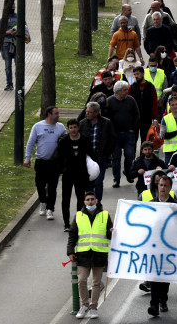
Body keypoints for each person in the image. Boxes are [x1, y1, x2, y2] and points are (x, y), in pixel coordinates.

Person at [67, 190, 114, 320]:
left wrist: (112, 232)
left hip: (99, 254)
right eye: (88, 200)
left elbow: (110, 235)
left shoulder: (105, 215)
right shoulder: (78, 216)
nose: (90, 202)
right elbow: (72, 234)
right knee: (81, 281)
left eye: (92, 199)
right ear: (84, 202)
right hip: (83, 254)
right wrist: (70, 251)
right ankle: (84, 305)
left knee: (96, 282)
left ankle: (93, 307)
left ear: (97, 201)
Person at [23, 106, 67, 221]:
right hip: (41, 161)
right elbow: (31, 143)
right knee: (40, 185)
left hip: (55, 163)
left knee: (53, 186)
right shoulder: (38, 126)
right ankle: (42, 201)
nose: (58, 115)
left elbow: (66, 142)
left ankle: (50, 209)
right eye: (56, 113)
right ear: (49, 114)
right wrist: (27, 158)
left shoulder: (60, 127)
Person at [147, 175, 177, 316]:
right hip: (154, 248)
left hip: (169, 248)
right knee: (154, 276)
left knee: (165, 277)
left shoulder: (176, 206)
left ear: (170, 188)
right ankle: (154, 305)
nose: (163, 188)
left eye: (166, 186)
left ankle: (163, 299)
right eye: (161, 185)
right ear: (157, 187)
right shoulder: (150, 204)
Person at [57, 119, 92, 231]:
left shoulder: (85, 140)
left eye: (75, 127)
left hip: (81, 174)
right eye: (71, 128)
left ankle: (78, 222)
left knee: (81, 198)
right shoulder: (64, 141)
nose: (73, 130)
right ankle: (66, 223)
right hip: (68, 174)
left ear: (78, 128)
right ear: (68, 129)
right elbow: (60, 158)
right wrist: (62, 170)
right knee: (65, 199)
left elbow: (91, 155)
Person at [104, 80, 140, 188]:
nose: (126, 92)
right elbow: (107, 118)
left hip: (129, 134)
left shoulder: (131, 100)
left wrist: (133, 128)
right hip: (115, 135)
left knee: (129, 155)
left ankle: (128, 173)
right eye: (124, 90)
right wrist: (111, 132)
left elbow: (136, 115)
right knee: (116, 158)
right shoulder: (109, 101)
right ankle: (116, 179)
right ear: (118, 91)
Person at [79, 101, 116, 199]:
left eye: (90, 112)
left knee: (99, 182)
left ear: (96, 113)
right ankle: (89, 203)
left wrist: (106, 154)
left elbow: (112, 139)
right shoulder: (82, 123)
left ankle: (98, 203)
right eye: (87, 111)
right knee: (88, 183)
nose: (87, 113)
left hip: (101, 157)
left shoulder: (106, 122)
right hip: (87, 158)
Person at [0, 3, 30, 91]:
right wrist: (9, 32)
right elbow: (0, 32)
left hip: (17, 44)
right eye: (11, 5)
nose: (12, 6)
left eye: (13, 5)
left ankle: (19, 84)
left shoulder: (19, 17)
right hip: (6, 44)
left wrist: (18, 32)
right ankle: (9, 84)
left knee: (18, 65)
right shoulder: (3, 19)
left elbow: (26, 28)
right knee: (7, 65)